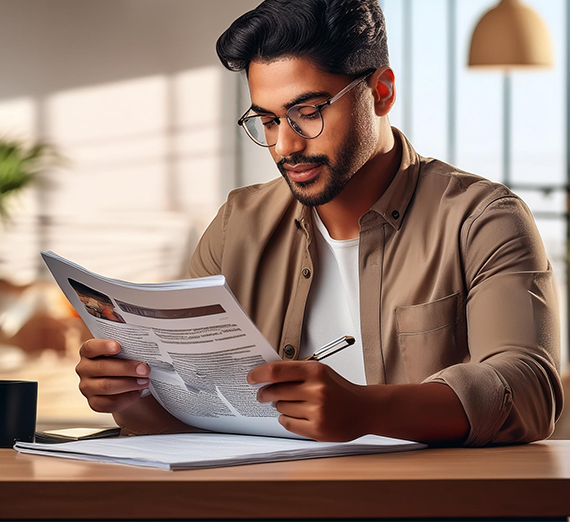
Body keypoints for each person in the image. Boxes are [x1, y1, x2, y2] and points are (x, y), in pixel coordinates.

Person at [75, 0, 563, 445]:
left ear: (382, 91)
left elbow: (528, 390)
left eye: (307, 112)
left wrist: (367, 409)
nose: (285, 147)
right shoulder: (236, 226)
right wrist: (131, 394)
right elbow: (199, 410)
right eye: (267, 121)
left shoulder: (482, 220)